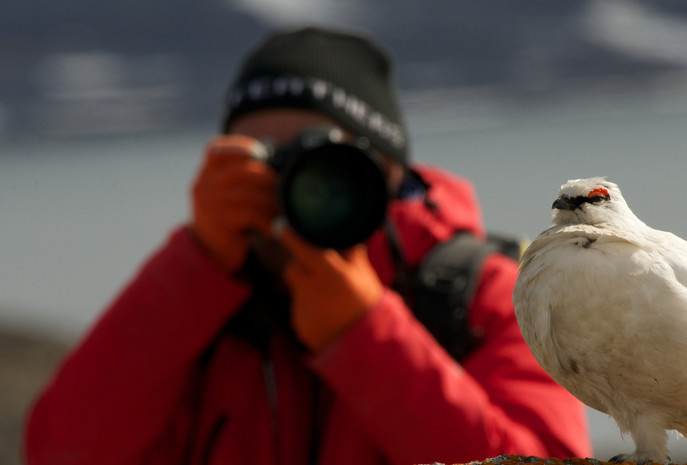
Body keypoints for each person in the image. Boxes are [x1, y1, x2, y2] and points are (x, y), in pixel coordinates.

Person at [25, 26, 592, 465]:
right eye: (261, 160)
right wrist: (197, 263)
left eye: (321, 157)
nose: (295, 184)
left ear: (390, 173)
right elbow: (59, 450)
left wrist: (365, 335)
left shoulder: (485, 295)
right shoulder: (202, 307)